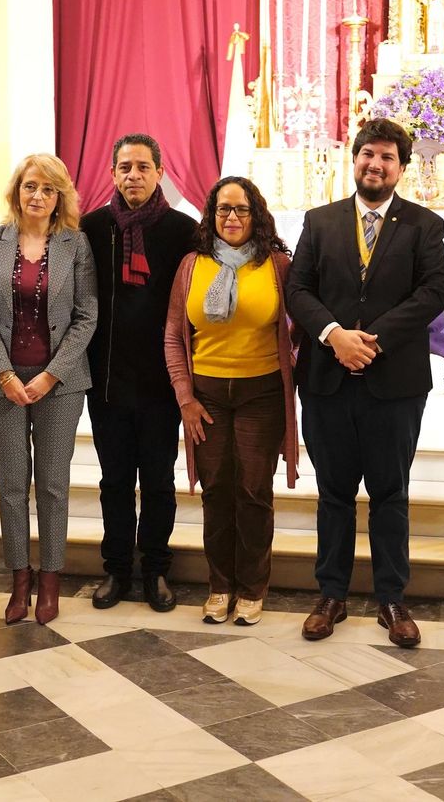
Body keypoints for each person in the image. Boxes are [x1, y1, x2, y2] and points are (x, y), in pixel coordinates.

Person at [286, 118, 444, 648]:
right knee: (333, 493)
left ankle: (392, 599)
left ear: (401, 168)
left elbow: (431, 293)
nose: (375, 164)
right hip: (327, 379)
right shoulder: (320, 220)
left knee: (390, 493)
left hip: (393, 382)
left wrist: (369, 340)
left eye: (386, 158)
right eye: (367, 154)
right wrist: (334, 335)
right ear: (353, 160)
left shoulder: (424, 225)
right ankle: (330, 594)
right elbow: (298, 289)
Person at [0, 154, 97, 625]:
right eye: (29, 187)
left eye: (47, 188)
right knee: (9, 487)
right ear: (16, 192)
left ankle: (50, 582)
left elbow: (87, 315)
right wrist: (5, 374)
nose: (38, 196)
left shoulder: (75, 244)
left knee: (52, 486)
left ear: (59, 195)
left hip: (59, 385)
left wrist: (50, 374)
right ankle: (18, 581)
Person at [164, 177, 297, 627]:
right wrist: (185, 397)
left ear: (256, 214)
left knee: (254, 490)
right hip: (207, 396)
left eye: (242, 209)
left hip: (261, 394)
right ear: (211, 215)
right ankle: (220, 586)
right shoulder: (190, 266)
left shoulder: (278, 265)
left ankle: (253, 589)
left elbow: (297, 330)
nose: (233, 218)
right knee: (217, 489)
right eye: (223, 210)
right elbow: (173, 337)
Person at [80, 134, 197, 612]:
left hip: (161, 383)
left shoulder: (183, 230)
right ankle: (116, 570)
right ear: (112, 174)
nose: (133, 175)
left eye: (143, 167)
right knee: (113, 482)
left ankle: (155, 570)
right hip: (107, 381)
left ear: (159, 172)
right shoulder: (91, 227)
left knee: (158, 482)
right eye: (125, 167)